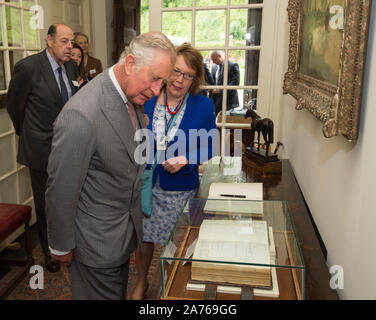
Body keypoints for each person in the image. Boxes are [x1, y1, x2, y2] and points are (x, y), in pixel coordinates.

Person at [45, 32, 176, 300]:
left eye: (162, 82)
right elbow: (61, 190)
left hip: (120, 238)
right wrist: (60, 246)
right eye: (154, 79)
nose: (156, 91)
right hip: (94, 246)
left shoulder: (132, 98)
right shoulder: (81, 115)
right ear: (130, 64)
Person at [131, 43, 217, 300]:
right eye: (176, 71)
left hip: (179, 188)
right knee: (143, 238)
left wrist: (187, 158)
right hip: (146, 182)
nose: (179, 80)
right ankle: (141, 282)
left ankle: (172, 287)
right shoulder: (146, 97)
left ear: (195, 79)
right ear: (168, 71)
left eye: (187, 75)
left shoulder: (202, 106)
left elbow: (211, 144)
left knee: (178, 242)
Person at [6, 24, 78, 274]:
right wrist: (28, 134)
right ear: (49, 40)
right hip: (41, 149)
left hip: (70, 146)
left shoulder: (71, 65)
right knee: (46, 203)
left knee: (70, 196)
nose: (70, 47)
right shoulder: (28, 68)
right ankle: (49, 251)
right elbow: (15, 107)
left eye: (72, 42)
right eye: (64, 41)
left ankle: (70, 242)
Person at [210, 50, 240, 115]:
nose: (213, 62)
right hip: (216, 101)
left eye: (214, 59)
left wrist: (220, 90)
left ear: (219, 56)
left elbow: (235, 83)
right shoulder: (214, 67)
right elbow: (212, 82)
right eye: (212, 60)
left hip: (228, 101)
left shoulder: (233, 65)